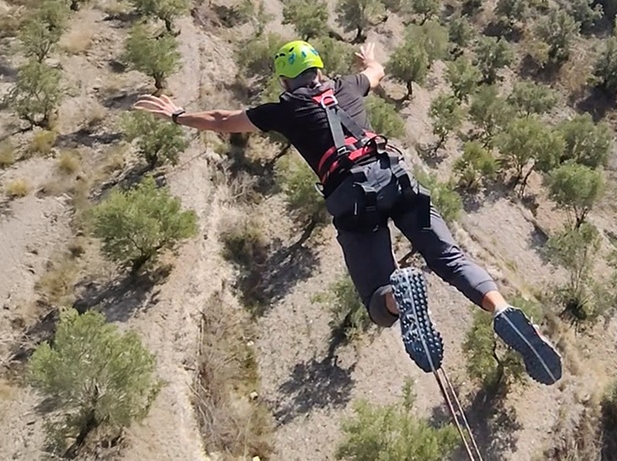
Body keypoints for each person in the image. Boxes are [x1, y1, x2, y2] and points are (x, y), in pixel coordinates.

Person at [133, 40, 562, 385]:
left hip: (353, 198)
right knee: (450, 257)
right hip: (396, 175)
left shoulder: (284, 109)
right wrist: (370, 60)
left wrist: (178, 115)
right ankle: (502, 309)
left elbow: (223, 119)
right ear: (319, 69)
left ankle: (401, 297)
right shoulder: (348, 87)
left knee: (377, 301)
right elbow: (375, 74)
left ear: (286, 79)